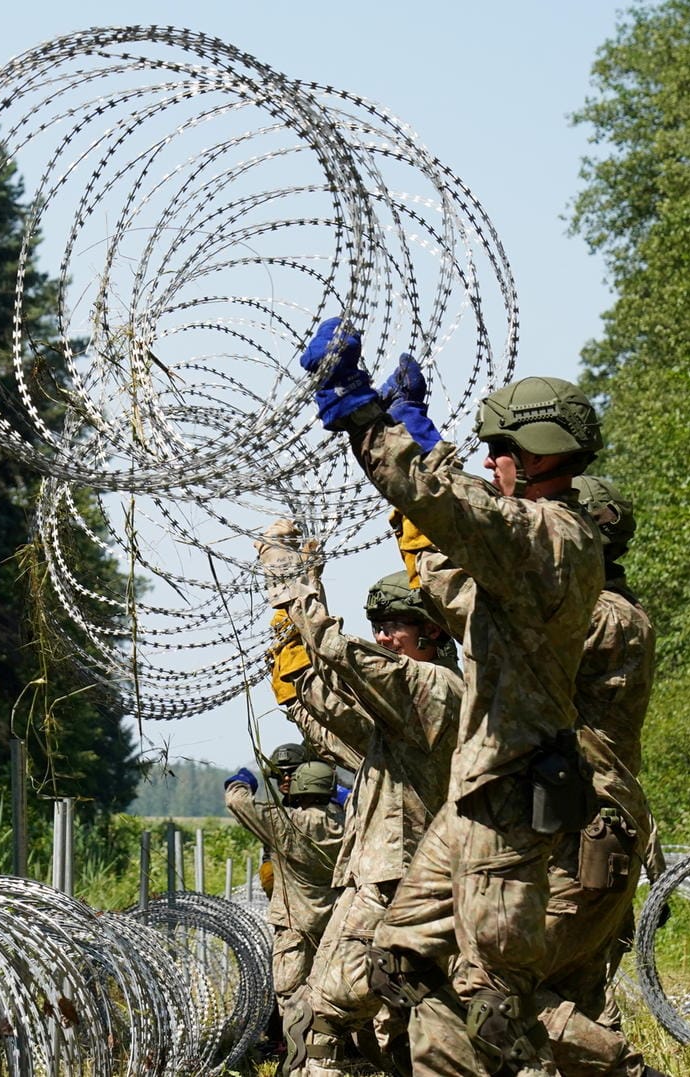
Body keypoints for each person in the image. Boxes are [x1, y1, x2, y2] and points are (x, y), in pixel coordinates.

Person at [296, 319, 605, 1074]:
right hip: (475, 797)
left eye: (501, 450)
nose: (492, 462)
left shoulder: (551, 537)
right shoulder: (529, 548)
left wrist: (368, 419)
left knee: (496, 998)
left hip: (511, 797)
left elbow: (453, 507)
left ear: (540, 456)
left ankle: (614, 1066)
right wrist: (415, 438)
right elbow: (450, 557)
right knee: (402, 962)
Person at [257, 536, 460, 1077]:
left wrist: (295, 585)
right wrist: (289, 636)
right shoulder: (399, 711)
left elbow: (341, 653)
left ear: (433, 631)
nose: (383, 637)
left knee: (333, 1013)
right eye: (378, 626)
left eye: (394, 626)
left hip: (402, 881)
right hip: (379, 877)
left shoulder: (434, 688)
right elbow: (328, 698)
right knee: (351, 1018)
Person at [532, 475, 666, 1077]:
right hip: (584, 816)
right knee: (576, 993)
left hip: (580, 822)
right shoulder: (609, 609)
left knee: (497, 983)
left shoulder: (603, 616)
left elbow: (509, 637)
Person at [226, 756, 346, 1024]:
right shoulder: (351, 822)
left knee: (292, 999)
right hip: (337, 926)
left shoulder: (287, 823)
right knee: (335, 994)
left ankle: (300, 1060)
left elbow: (237, 802)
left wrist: (242, 781)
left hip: (295, 927)